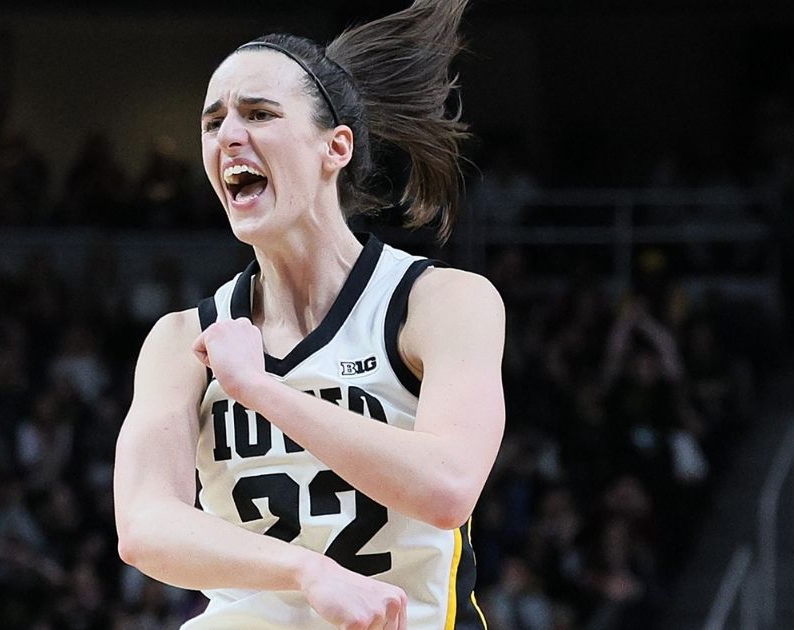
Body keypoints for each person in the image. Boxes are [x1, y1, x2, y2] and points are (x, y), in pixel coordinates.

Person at [114, 2, 504, 629]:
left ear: (336, 147)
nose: (228, 136)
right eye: (213, 122)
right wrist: (306, 571)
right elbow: (143, 525)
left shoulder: (441, 302)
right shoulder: (180, 337)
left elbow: (448, 488)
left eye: (259, 114)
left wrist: (261, 390)